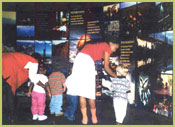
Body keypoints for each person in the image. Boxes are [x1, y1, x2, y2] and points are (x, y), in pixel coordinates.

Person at [70, 35, 119, 124]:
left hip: (78, 61)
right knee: (90, 93)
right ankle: (94, 117)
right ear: (111, 43)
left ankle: (84, 119)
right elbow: (107, 67)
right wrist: (116, 77)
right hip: (87, 61)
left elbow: (80, 54)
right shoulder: (106, 46)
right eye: (115, 48)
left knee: (82, 93)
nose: (114, 51)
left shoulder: (96, 44)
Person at [2, 52, 39, 123]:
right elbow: (33, 78)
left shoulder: (20, 57)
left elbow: (19, 70)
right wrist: (44, 85)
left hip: (4, 66)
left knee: (4, 96)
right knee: (10, 97)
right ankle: (11, 118)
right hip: (8, 77)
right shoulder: (34, 62)